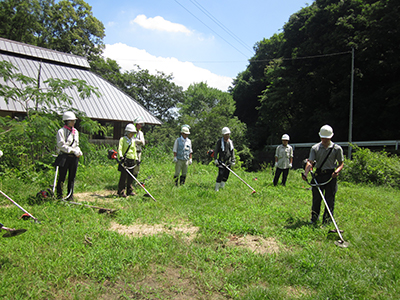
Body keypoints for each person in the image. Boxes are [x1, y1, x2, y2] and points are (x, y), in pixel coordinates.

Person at [302, 125, 344, 225]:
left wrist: (337, 171)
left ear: (330, 137)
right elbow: (310, 162)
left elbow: (341, 163)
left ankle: (327, 220)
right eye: (323, 138)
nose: (324, 140)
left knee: (330, 199)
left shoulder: (337, 149)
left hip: (330, 176)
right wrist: (306, 173)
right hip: (318, 175)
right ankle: (314, 218)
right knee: (316, 199)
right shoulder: (315, 148)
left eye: (327, 138)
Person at [55, 111, 83, 201]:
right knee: (62, 177)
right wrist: (72, 150)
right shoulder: (61, 131)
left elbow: (76, 144)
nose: (74, 122)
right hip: (64, 156)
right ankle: (59, 195)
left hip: (73, 158)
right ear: (67, 121)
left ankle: (70, 195)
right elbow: (61, 145)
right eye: (72, 121)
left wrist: (78, 151)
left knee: (72, 177)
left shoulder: (76, 132)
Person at [117, 123, 138, 197]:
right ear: (128, 132)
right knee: (123, 176)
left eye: (133, 133)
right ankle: (121, 191)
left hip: (132, 159)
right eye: (131, 133)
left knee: (131, 176)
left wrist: (136, 159)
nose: (132, 134)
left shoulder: (133, 141)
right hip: (125, 159)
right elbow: (119, 149)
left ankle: (129, 190)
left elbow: (134, 150)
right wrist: (121, 156)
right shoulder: (122, 139)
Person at [214, 127, 236, 191]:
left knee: (226, 175)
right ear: (223, 135)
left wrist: (233, 160)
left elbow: (232, 152)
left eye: (228, 134)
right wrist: (215, 159)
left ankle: (222, 187)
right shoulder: (220, 142)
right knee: (220, 174)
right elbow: (216, 151)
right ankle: (216, 188)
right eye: (226, 135)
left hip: (228, 162)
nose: (227, 136)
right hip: (221, 161)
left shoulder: (230, 142)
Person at [132, 117, 145, 183]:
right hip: (132, 152)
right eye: (139, 124)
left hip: (138, 152)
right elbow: (131, 141)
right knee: (131, 166)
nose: (140, 126)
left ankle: (134, 182)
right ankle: (128, 182)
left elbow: (143, 142)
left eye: (141, 124)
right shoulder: (131, 132)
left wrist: (137, 141)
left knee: (137, 167)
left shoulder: (141, 133)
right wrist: (138, 141)